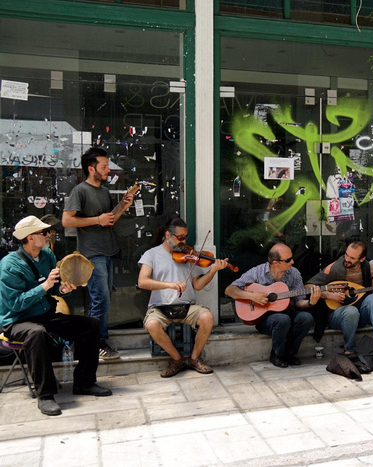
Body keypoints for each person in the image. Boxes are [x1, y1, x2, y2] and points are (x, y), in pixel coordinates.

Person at [0, 216, 112, 416]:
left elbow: (55, 289)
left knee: (91, 324)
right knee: (36, 333)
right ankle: (45, 395)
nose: (48, 235)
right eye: (44, 233)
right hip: (18, 321)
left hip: (44, 315)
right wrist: (44, 286)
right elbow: (15, 304)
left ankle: (85, 382)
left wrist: (63, 289)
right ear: (30, 237)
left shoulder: (47, 256)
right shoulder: (9, 265)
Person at [62, 147, 134, 360]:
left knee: (104, 299)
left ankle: (93, 341)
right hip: (92, 255)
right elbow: (67, 220)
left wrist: (123, 206)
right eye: (104, 166)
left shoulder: (104, 192)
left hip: (108, 251)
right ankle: (96, 343)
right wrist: (97, 220)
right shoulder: (80, 191)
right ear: (91, 169)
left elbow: (109, 220)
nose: (108, 170)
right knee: (100, 299)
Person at [137, 218, 226, 378]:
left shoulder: (188, 255)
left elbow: (197, 285)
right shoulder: (152, 254)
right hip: (160, 307)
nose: (184, 241)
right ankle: (177, 359)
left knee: (207, 318)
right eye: (180, 237)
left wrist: (213, 271)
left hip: (186, 305)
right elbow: (142, 282)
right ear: (167, 235)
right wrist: (169, 285)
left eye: (185, 237)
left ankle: (194, 358)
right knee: (151, 325)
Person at [225, 243, 319, 368]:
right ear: (275, 262)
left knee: (306, 318)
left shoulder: (294, 273)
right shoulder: (257, 272)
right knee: (282, 319)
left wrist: (311, 302)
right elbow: (229, 290)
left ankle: (290, 353)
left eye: (292, 258)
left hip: (287, 313)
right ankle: (277, 354)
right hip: (264, 319)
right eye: (288, 260)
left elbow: (299, 302)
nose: (292, 262)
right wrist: (252, 296)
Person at [307, 241, 373, 361]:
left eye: (352, 258)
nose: (347, 259)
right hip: (337, 315)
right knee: (351, 311)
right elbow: (308, 286)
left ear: (362, 259)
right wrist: (328, 294)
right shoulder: (334, 268)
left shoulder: (368, 268)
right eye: (346, 255)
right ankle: (350, 349)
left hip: (360, 314)